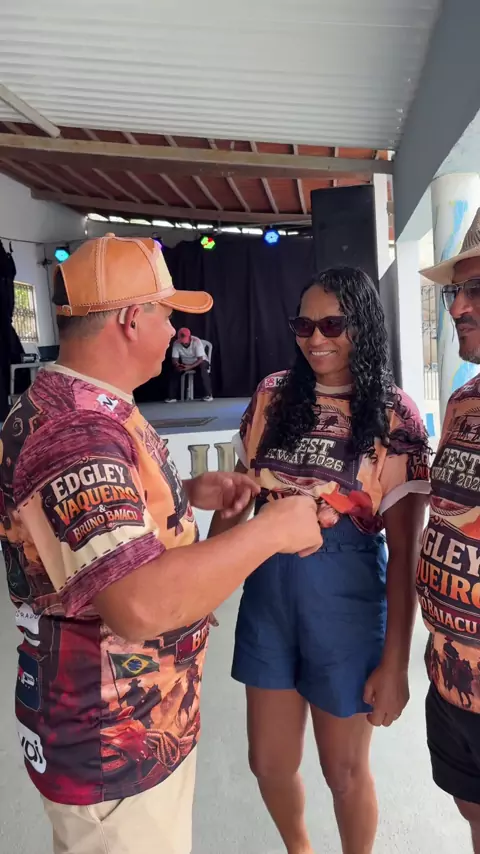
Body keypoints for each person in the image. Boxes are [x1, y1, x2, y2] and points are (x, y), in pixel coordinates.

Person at [0, 233, 323, 854]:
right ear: (130, 319)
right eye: (166, 313)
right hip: (112, 748)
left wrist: (188, 499)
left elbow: (100, 539)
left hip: (133, 731)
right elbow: (138, 603)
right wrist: (272, 530)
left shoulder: (88, 405)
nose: (175, 331)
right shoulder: (78, 431)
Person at [209, 267, 430, 854]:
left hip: (346, 600)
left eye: (332, 324)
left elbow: (404, 553)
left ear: (363, 325)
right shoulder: (273, 394)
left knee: (345, 772)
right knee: (267, 763)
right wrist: (203, 582)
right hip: (268, 594)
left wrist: (396, 663)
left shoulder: (395, 413)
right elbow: (239, 496)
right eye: (303, 325)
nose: (316, 338)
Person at [419, 208, 480, 852]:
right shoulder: (463, 402)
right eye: (455, 291)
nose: (458, 306)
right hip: (452, 677)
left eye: (476, 290)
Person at [166, 327, 213, 402]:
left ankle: (208, 395)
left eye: (186, 341)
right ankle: (172, 397)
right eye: (182, 341)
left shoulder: (196, 341)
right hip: (186, 364)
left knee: (202, 368)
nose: (184, 343)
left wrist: (189, 367)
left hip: (200, 362)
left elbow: (200, 359)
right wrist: (177, 365)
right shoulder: (176, 343)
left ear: (190, 337)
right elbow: (174, 359)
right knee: (174, 370)